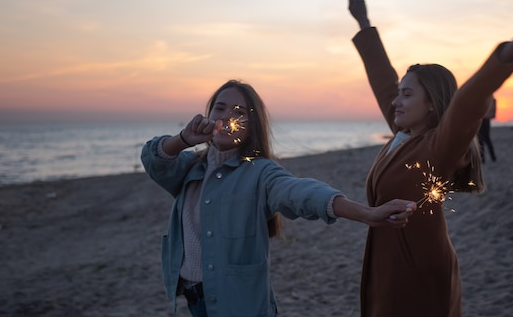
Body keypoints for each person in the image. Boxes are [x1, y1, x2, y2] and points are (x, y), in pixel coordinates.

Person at [346, 0, 513, 316]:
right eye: (398, 94)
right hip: (387, 268)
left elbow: (469, 103)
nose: (395, 101)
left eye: (406, 94)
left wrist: (509, 53)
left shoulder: (437, 148)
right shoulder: (404, 133)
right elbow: (382, 78)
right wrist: (363, 21)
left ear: (431, 103)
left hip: (417, 273)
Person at [141, 79, 416, 316]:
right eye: (219, 108)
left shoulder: (259, 172)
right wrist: (183, 139)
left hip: (242, 306)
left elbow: (302, 193)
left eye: (238, 112)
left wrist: (364, 212)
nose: (225, 117)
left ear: (251, 126)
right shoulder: (190, 167)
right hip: (195, 302)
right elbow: (154, 158)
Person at [478, 98, 497, 162]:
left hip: (484, 120)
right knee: (483, 139)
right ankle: (487, 158)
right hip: (483, 119)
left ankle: (488, 158)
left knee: (484, 139)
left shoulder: (489, 99)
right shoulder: (489, 99)